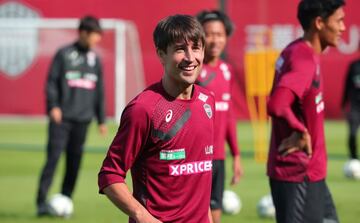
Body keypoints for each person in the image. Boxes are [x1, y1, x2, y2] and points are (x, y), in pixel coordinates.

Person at [98, 14, 215, 223]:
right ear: (162, 55)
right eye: (180, 49)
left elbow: (199, 183)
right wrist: (143, 217)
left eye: (196, 48)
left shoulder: (208, 101)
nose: (190, 57)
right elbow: (109, 176)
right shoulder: (143, 109)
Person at [266, 0, 345, 222]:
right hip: (298, 174)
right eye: (339, 21)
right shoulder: (303, 58)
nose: (343, 28)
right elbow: (276, 104)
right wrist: (300, 130)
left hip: (309, 174)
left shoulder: (300, 51)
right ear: (319, 22)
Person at [36, 15, 107, 216]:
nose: (97, 39)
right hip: (62, 118)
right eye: (95, 35)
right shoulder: (64, 54)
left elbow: (99, 91)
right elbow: (51, 82)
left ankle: (65, 199)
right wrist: (54, 106)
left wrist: (101, 119)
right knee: (53, 158)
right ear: (83, 33)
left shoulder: (95, 60)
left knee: (74, 162)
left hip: (82, 120)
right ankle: (41, 202)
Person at [196, 10, 243, 223]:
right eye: (209, 34)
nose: (215, 39)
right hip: (195, 156)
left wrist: (236, 155)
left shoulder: (227, 71)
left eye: (220, 34)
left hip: (218, 157)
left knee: (215, 210)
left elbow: (228, 116)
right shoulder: (192, 70)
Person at [341, 42, 360, 160]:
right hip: (355, 107)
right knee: (352, 133)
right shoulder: (354, 66)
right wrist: (343, 103)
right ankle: (353, 158)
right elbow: (347, 85)